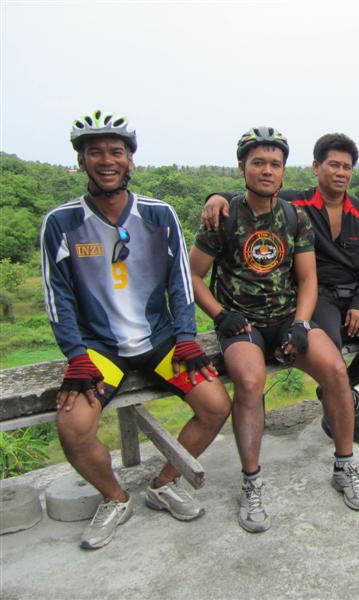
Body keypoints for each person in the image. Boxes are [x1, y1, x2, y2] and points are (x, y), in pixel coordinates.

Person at [40, 110, 231, 550]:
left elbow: (180, 282)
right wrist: (76, 355)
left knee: (215, 404)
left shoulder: (158, 215)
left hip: (159, 339)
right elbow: (57, 295)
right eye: (95, 152)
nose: (107, 160)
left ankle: (164, 483)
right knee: (73, 426)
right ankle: (115, 497)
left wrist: (186, 338)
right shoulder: (61, 222)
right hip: (100, 348)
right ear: (82, 161)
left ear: (131, 160)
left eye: (116, 151)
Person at [189, 126, 359, 533]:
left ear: (284, 171)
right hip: (241, 321)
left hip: (287, 315)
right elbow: (194, 275)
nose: (267, 170)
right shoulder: (224, 217)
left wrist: (302, 323)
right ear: (242, 168)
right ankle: (251, 481)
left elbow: (307, 279)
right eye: (258, 163)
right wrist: (220, 315)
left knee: (336, 371)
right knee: (249, 381)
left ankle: (345, 464)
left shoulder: (294, 216)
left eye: (275, 163)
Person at [201, 133, 359, 446]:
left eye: (346, 167)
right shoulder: (297, 203)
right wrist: (216, 197)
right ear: (316, 167)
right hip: (317, 294)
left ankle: (338, 392)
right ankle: (343, 403)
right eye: (333, 165)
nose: (340, 172)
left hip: (354, 293)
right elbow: (254, 193)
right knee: (330, 347)